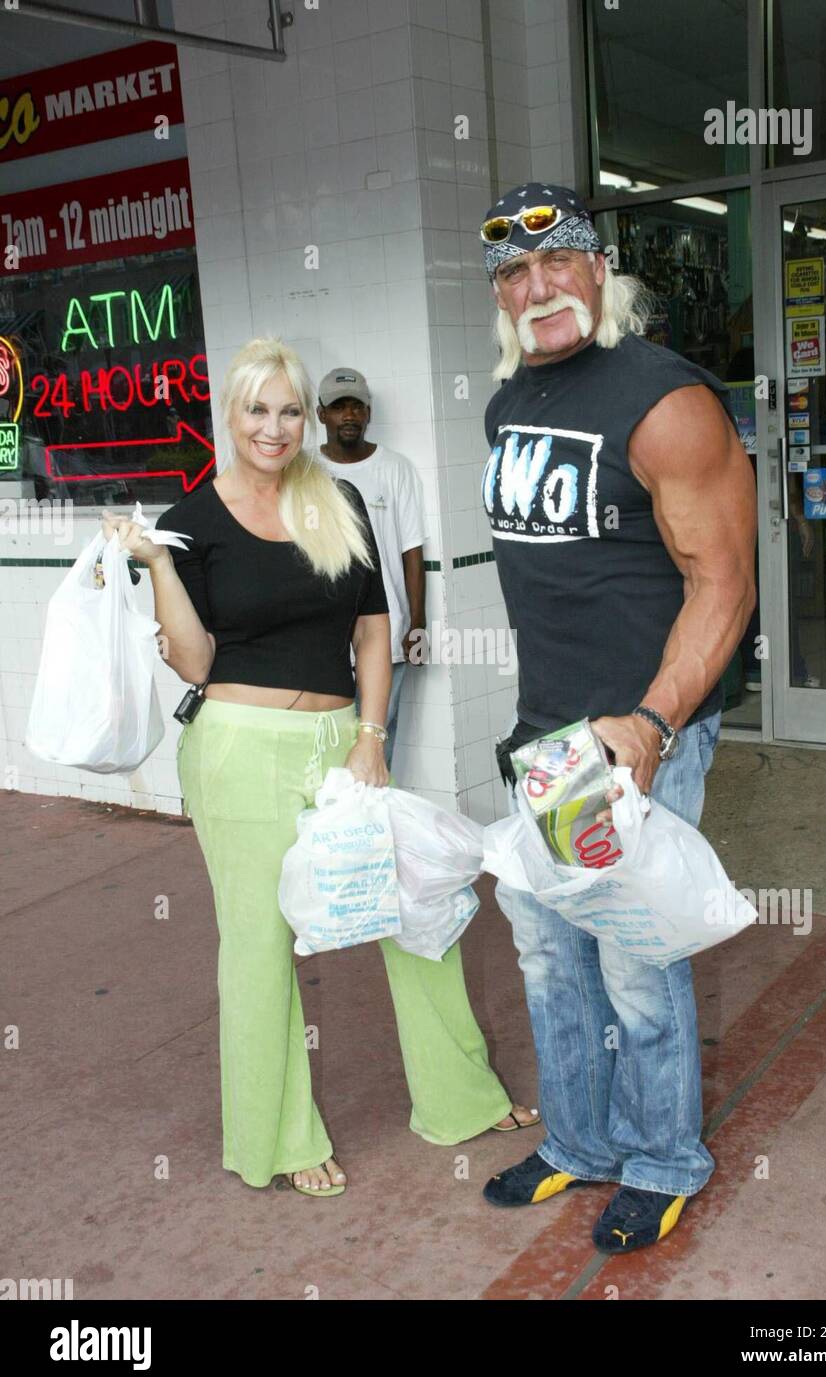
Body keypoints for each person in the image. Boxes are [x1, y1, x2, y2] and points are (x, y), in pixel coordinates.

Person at [101, 337, 537, 1198]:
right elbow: (192, 661)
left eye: (289, 409)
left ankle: (460, 1099)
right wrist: (156, 566)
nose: (274, 426)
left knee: (415, 912)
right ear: (230, 414)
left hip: (343, 740)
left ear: (306, 417)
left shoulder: (336, 499)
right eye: (257, 409)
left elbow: (375, 624)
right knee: (261, 947)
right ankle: (279, 1137)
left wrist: (372, 735)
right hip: (238, 750)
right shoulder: (192, 520)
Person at [477, 184, 756, 1253]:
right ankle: (581, 1142)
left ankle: (664, 1156)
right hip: (544, 736)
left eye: (556, 264)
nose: (535, 287)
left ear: (599, 270)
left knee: (636, 956)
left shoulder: (661, 398)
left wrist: (648, 720)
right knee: (551, 953)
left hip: (641, 733)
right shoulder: (510, 399)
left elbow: (720, 583)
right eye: (511, 273)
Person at [315, 367, 426, 767]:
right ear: (320, 413)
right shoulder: (305, 473)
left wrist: (418, 625)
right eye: (339, 407)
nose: (349, 415)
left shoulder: (395, 469)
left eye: (357, 406)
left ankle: (378, 820)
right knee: (331, 736)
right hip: (324, 636)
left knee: (380, 733)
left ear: (369, 412)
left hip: (389, 629)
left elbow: (412, 550)